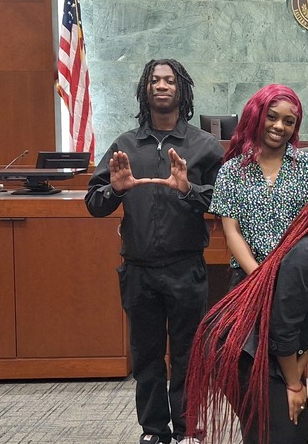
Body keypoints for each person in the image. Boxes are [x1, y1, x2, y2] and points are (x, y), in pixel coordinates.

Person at [85, 59, 224, 444]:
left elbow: (224, 200)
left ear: (182, 89)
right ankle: (154, 431)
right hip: (139, 271)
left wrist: (188, 190)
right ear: (145, 90)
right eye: (154, 80)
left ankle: (188, 431)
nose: (162, 86)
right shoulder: (125, 145)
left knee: (187, 357)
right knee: (146, 359)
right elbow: (94, 203)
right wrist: (117, 189)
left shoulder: (204, 146)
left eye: (169, 80)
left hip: (186, 269)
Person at [185, 174, 308, 444]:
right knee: (275, 433)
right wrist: (293, 384)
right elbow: (282, 328)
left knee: (297, 429)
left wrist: (294, 378)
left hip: (277, 349)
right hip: (241, 348)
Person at [211, 84, 308, 288]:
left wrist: (288, 273)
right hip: (248, 278)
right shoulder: (232, 170)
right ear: (256, 116)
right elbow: (232, 232)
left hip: (298, 277)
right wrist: (260, 277)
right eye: (271, 117)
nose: (280, 126)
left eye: (289, 122)